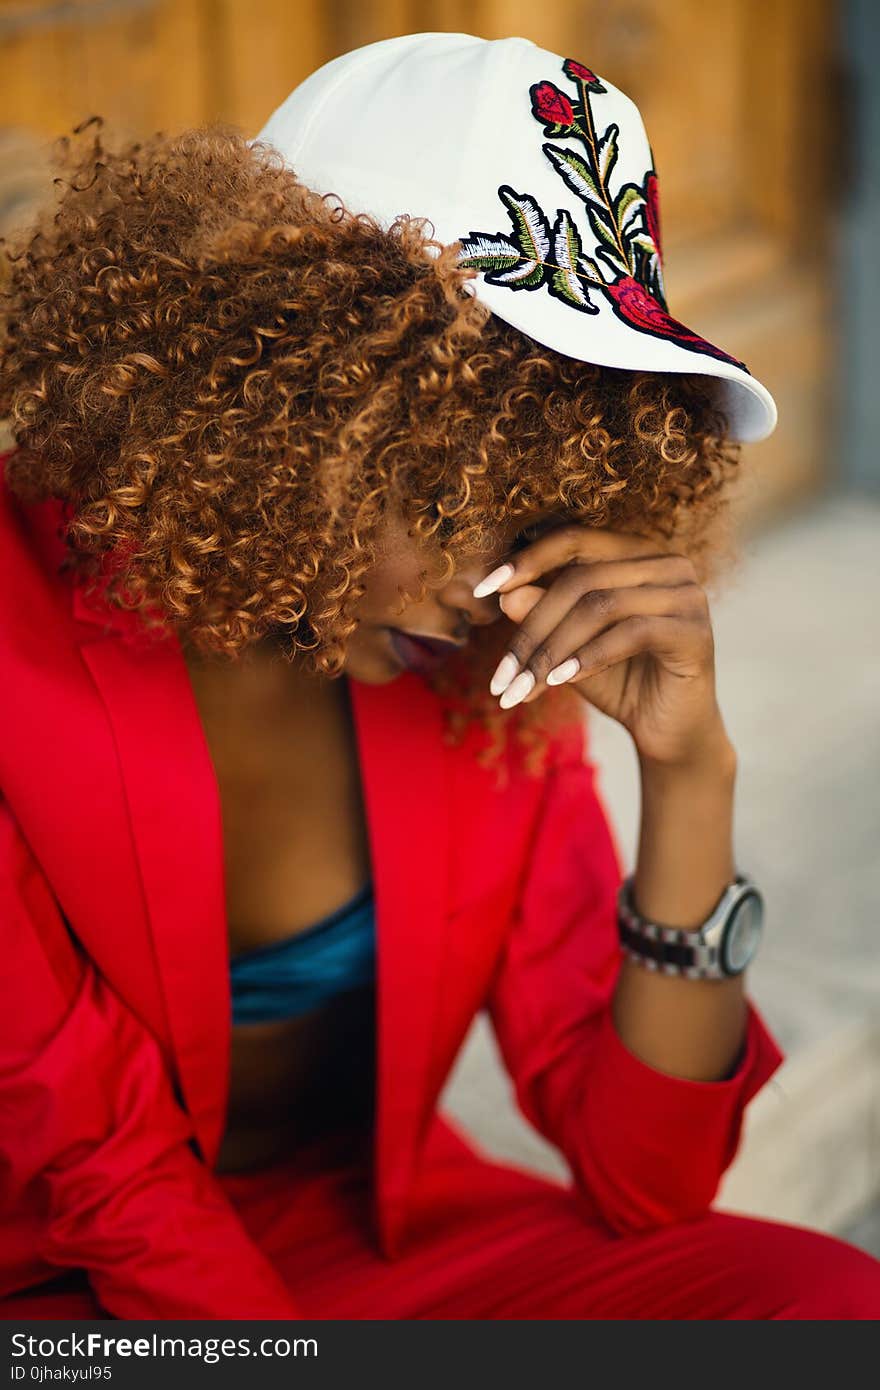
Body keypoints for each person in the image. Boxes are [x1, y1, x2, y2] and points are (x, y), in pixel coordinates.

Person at [0, 32, 878, 1321]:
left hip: (365, 1237)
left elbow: (653, 1183)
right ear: (274, 410)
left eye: (547, 486)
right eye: (449, 479)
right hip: (61, 1281)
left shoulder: (476, 663)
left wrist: (692, 771)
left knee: (818, 1302)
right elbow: (92, 1165)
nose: (494, 572)